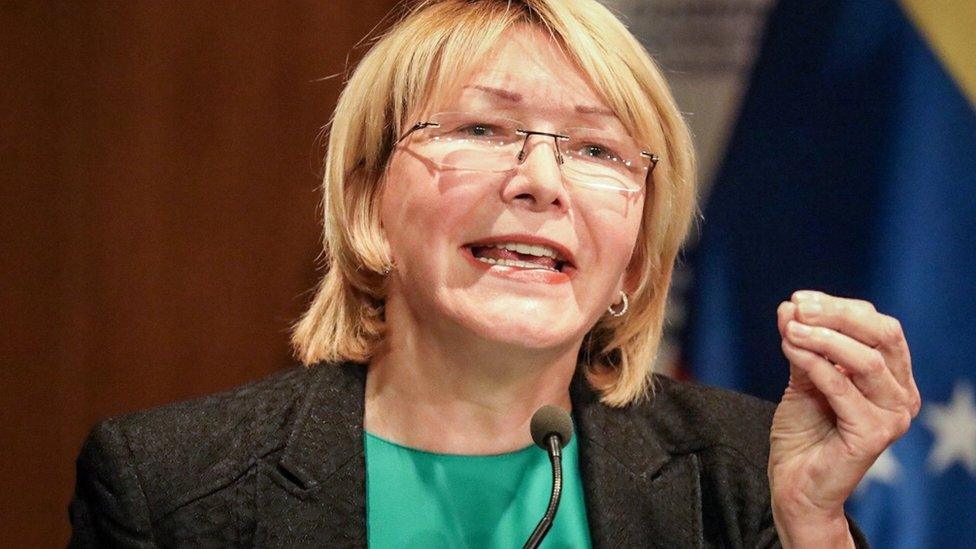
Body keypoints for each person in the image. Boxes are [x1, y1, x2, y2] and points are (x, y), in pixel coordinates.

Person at [68, 0, 921, 547]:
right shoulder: (169, 487)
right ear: (367, 206)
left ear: (634, 250)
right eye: (481, 129)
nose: (540, 182)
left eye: (594, 149)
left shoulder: (739, 474)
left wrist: (811, 527)